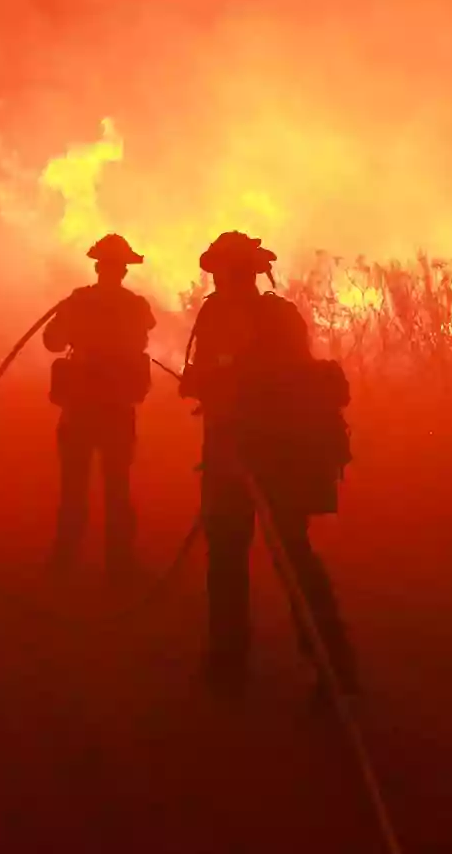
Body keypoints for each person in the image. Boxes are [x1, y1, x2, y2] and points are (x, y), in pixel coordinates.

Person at [179, 230, 358, 701]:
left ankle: (332, 669)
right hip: (226, 453)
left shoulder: (278, 318)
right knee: (227, 559)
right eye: (220, 272)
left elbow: (286, 380)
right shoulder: (214, 313)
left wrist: (232, 393)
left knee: (291, 555)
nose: (222, 280)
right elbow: (202, 373)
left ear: (248, 273)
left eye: (229, 271)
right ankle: (227, 664)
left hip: (276, 454)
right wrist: (205, 385)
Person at [43, 233, 156, 582]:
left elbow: (52, 342)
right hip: (117, 409)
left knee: (74, 486)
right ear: (123, 271)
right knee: (117, 486)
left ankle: (64, 562)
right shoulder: (136, 306)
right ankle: (119, 565)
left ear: (97, 267)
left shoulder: (78, 301)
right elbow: (141, 339)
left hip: (80, 407)